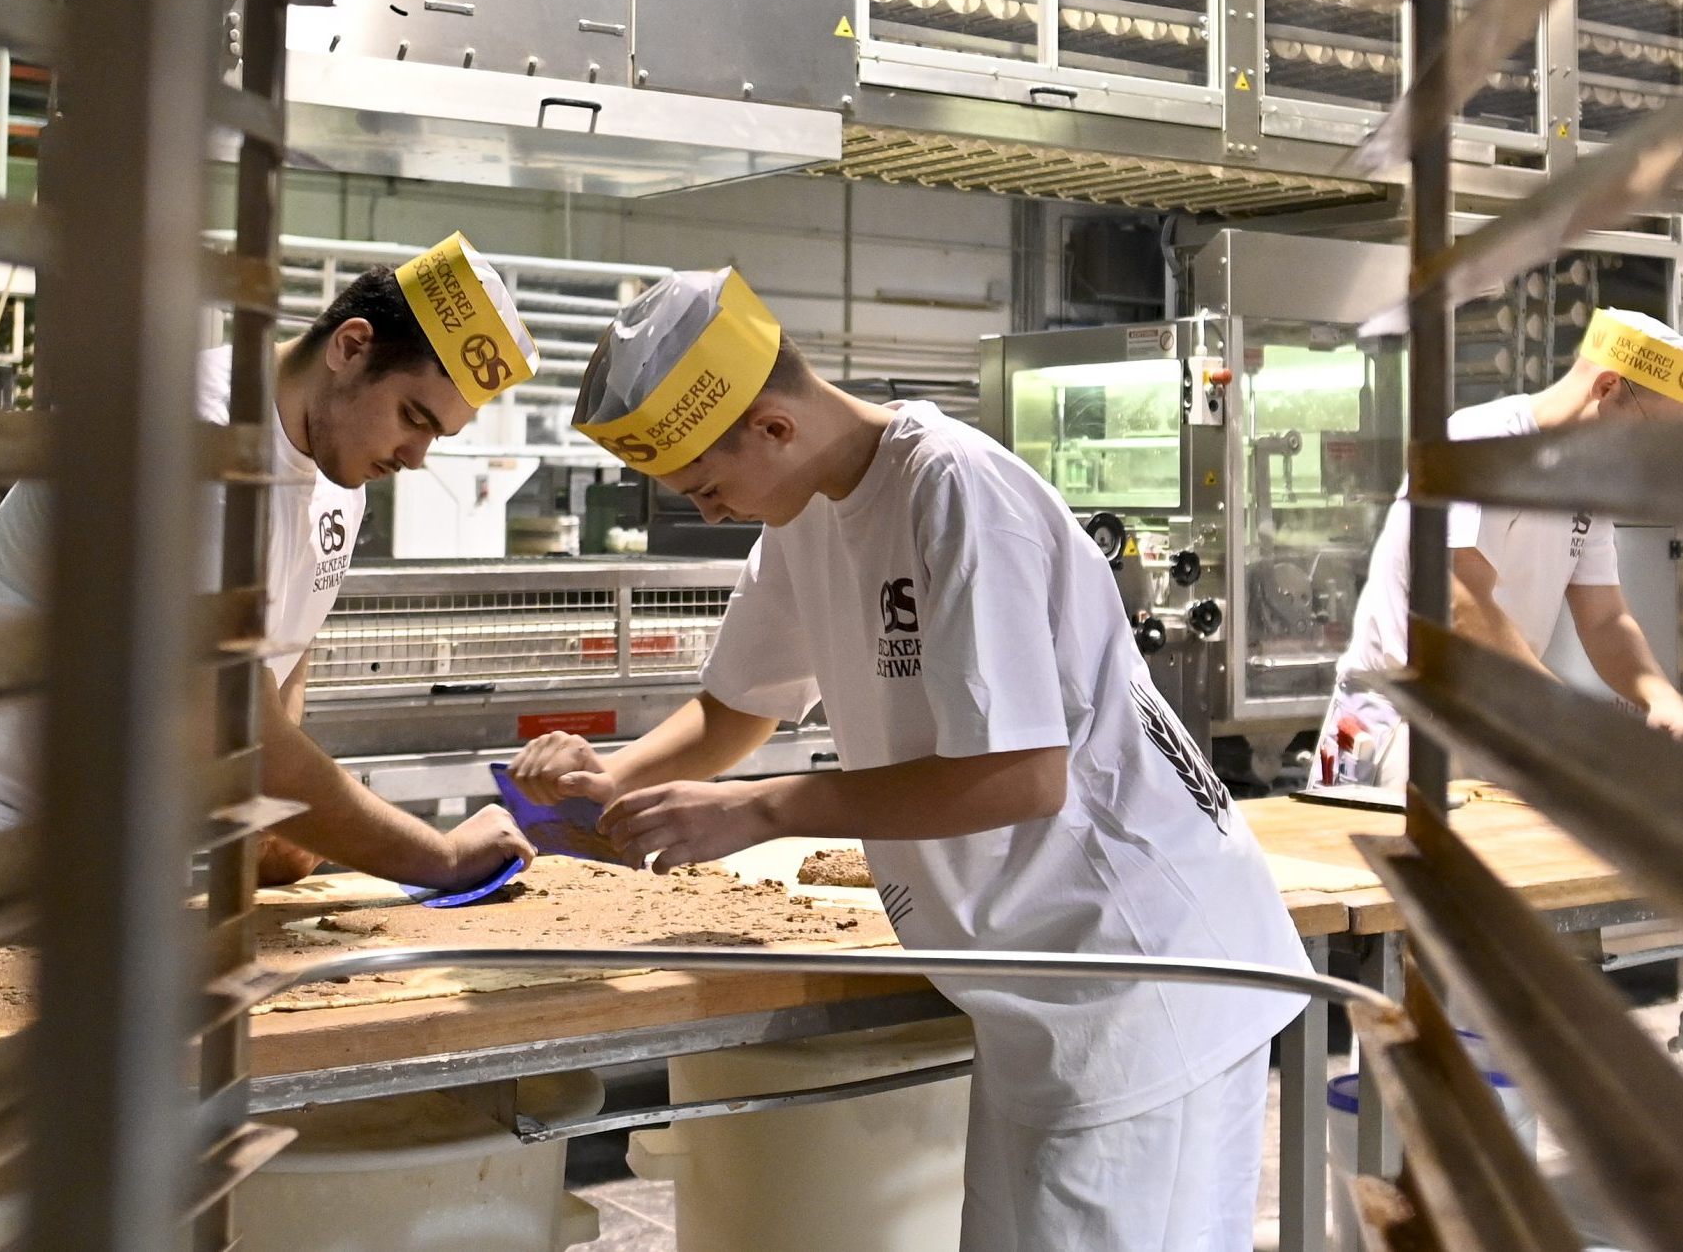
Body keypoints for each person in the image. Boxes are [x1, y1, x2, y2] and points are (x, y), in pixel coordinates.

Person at [512, 267, 1311, 1250]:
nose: (710, 512)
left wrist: (757, 811)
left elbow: (1020, 774)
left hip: (1137, 971)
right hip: (1036, 986)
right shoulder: (800, 511)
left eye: (705, 486)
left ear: (770, 424)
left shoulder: (952, 488)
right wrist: (615, 779)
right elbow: (734, 708)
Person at [0, 231, 537, 889]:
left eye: (436, 434)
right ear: (351, 346)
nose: (417, 455)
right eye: (412, 417)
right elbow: (226, 718)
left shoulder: (340, 465)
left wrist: (266, 820)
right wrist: (439, 857)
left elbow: (281, 658)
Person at [1312, 306, 1683, 790]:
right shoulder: (1478, 442)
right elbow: (1461, 604)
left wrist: (1659, 696)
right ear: (1608, 387)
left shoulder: (1586, 480)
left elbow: (1604, 617)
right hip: (1396, 724)